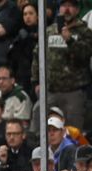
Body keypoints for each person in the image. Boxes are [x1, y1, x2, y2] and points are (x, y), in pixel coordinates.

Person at [33, 0, 92, 129]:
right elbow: (38, 55)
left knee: (73, 132)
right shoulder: (49, 31)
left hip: (73, 92)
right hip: (50, 90)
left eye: (70, 6)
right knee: (39, 124)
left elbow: (86, 54)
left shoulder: (85, 32)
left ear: (76, 10)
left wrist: (69, 39)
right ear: (59, 9)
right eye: (64, 6)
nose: (66, 10)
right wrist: (36, 81)